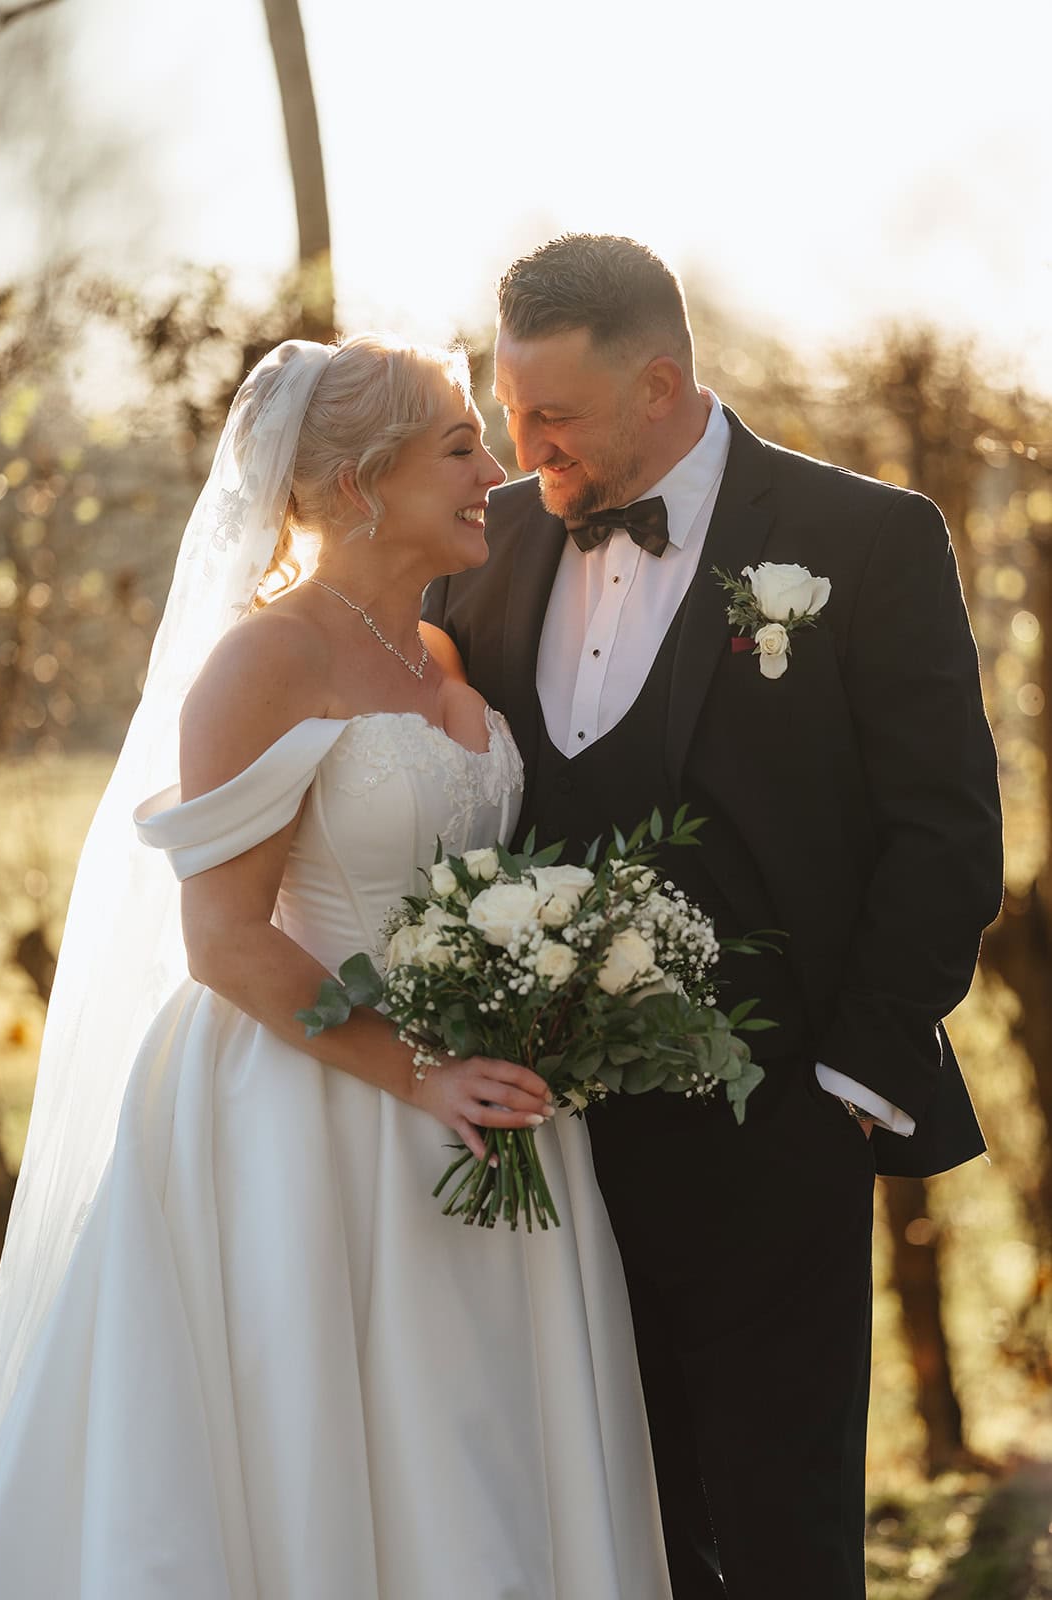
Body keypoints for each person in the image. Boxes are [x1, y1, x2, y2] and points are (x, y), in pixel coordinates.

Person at [0, 334, 674, 1598]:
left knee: (483, 1459)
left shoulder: (440, 654)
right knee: (332, 1454)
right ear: (358, 482)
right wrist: (416, 1073)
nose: (493, 473)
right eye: (459, 448)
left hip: (482, 1099)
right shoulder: (266, 660)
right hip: (313, 1105)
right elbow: (222, 937)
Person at [423, 234, 1004, 1599]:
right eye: (509, 411)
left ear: (658, 385)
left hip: (779, 1131)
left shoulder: (864, 540)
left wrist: (845, 1090)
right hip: (545, 1159)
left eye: (553, 416)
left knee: (783, 1539)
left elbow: (943, 836)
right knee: (604, 1538)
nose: (524, 448)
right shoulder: (483, 543)